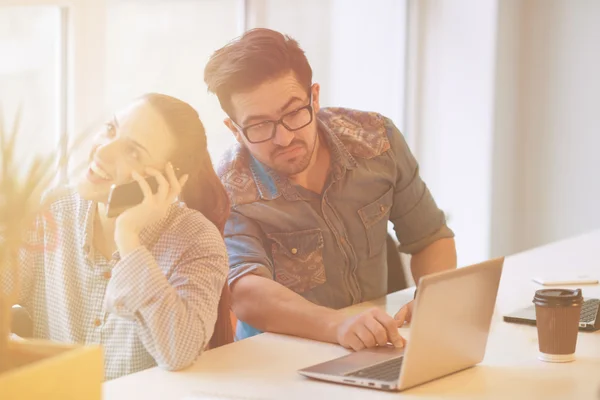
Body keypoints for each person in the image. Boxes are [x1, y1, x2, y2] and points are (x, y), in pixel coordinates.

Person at [205, 29, 457, 350]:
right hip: (275, 360)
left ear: (315, 97)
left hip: (372, 346)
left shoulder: (377, 141)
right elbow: (244, 291)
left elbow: (431, 237)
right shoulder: (228, 187)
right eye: (259, 125)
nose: (283, 138)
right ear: (234, 129)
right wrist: (337, 325)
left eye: (293, 112)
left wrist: (431, 300)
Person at [10, 93, 233, 379]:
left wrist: (128, 238)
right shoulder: (52, 209)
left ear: (166, 179)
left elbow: (179, 351)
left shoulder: (196, 239)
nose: (102, 152)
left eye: (134, 151)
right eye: (111, 129)